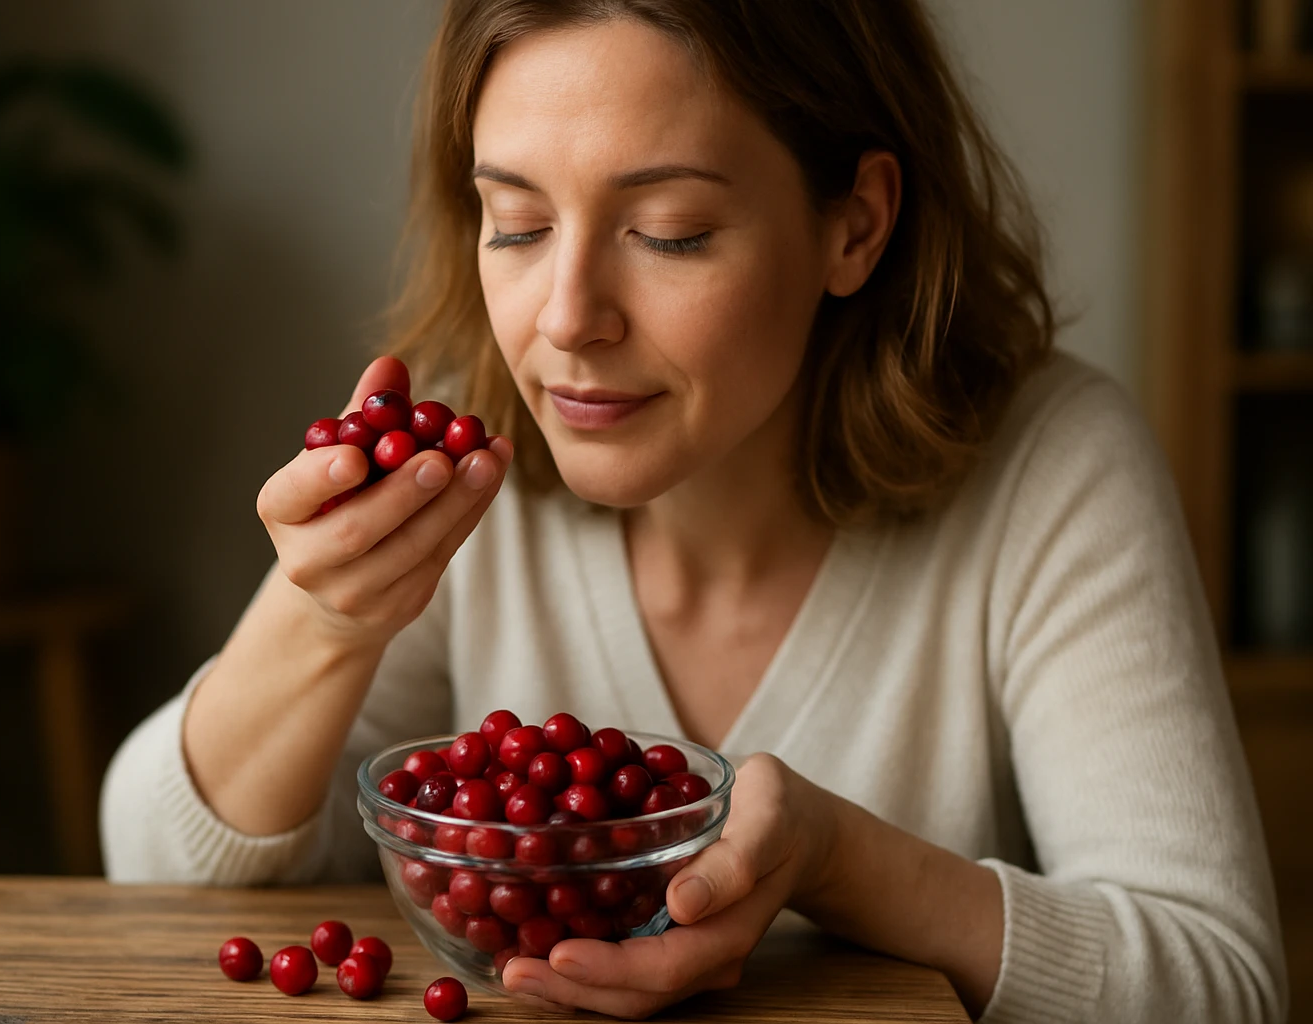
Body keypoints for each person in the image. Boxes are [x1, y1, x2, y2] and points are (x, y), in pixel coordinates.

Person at [99, 2, 1287, 1021]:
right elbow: (149, 868)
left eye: (669, 232)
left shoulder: (1051, 465)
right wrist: (325, 620)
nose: (566, 318)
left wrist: (835, 859)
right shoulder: (460, 471)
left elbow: (1222, 984)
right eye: (514, 222)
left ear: (854, 225)